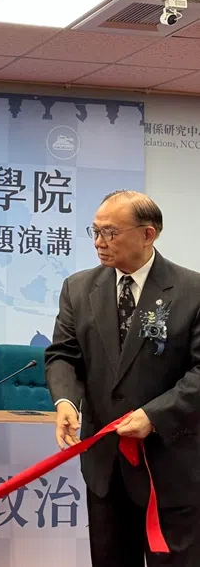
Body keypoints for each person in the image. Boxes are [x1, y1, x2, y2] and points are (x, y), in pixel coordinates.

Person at [45, 190, 200, 567]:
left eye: (110, 232)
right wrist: (65, 400)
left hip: (171, 465)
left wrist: (155, 416)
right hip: (106, 468)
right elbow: (64, 354)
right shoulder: (79, 288)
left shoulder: (192, 291)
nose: (99, 242)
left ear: (149, 234)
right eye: (95, 231)